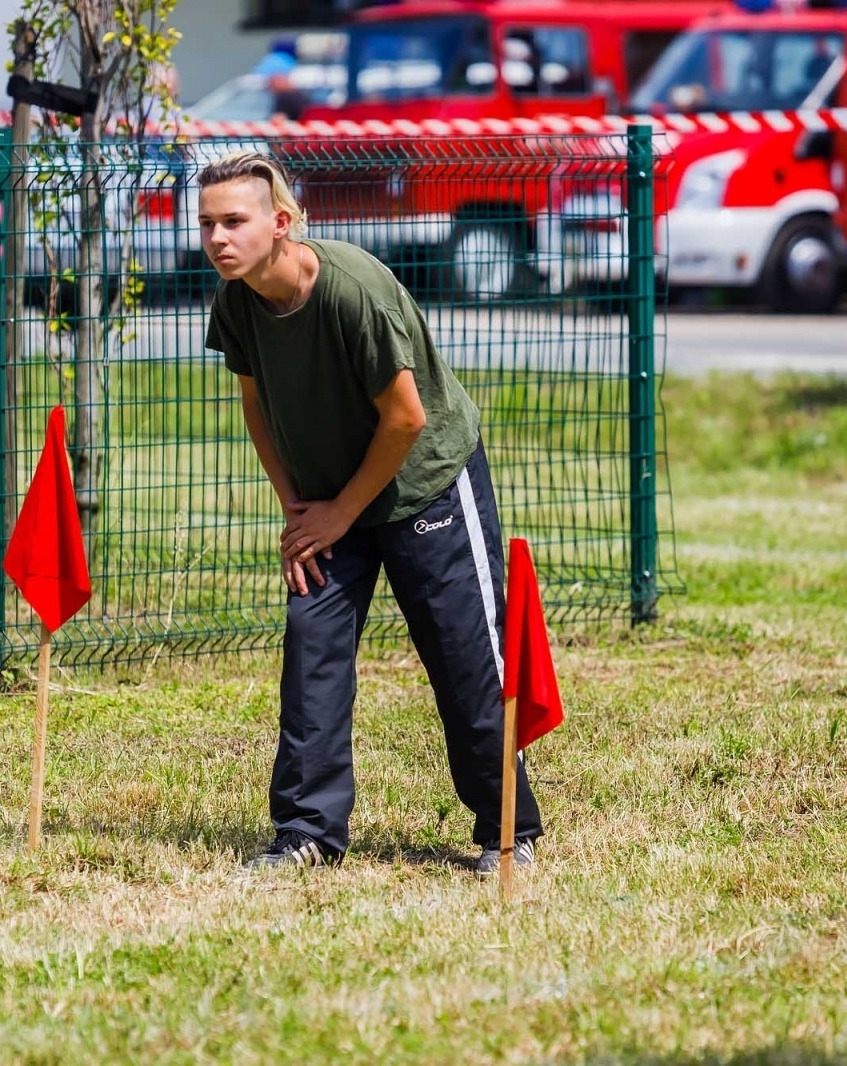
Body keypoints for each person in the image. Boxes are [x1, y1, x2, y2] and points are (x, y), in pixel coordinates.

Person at [196, 150, 544, 875]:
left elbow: (407, 419)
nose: (218, 238)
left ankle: (508, 831)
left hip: (422, 484)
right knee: (312, 650)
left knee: (463, 659)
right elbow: (255, 402)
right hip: (326, 500)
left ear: (281, 223)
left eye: (234, 221)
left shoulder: (354, 289)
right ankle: (307, 835)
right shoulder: (235, 299)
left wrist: (340, 514)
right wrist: (297, 506)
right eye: (207, 225)